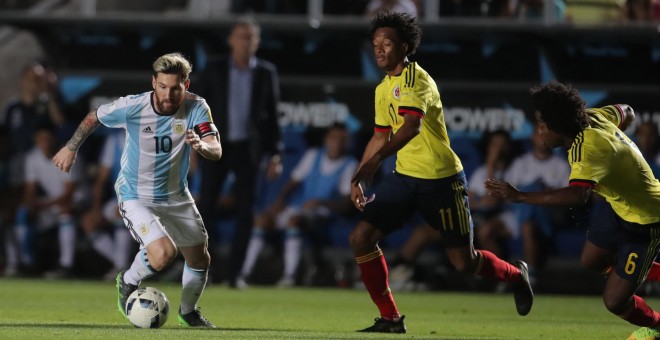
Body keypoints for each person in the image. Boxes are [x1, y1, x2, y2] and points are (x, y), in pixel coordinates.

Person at [348, 11, 533, 334]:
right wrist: (359, 178)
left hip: (441, 181)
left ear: (405, 47)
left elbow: (410, 128)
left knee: (464, 261)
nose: (378, 49)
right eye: (375, 43)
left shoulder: (417, 80)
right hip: (405, 179)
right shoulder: (382, 89)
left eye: (386, 43)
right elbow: (379, 136)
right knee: (360, 238)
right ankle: (390, 318)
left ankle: (516, 274)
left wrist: (374, 163)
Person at [52, 53, 222, 328]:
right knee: (164, 253)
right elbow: (94, 117)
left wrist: (202, 147)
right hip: (136, 195)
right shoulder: (132, 106)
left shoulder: (197, 107)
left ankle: (188, 312)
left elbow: (216, 148)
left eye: (175, 88)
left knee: (200, 258)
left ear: (186, 86)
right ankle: (128, 281)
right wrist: (71, 147)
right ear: (154, 82)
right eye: (163, 86)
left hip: (176, 196)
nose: (168, 95)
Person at [483, 81, 660, 339]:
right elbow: (628, 111)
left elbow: (578, 195)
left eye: (543, 124)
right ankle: (642, 270)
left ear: (559, 126)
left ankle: (656, 325)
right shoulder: (594, 117)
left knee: (614, 301)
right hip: (619, 208)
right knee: (591, 260)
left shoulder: (586, 148)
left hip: (647, 219)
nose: (539, 130)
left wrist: (520, 196)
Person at [196, 17, 282, 286]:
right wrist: (194, 146)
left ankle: (235, 274)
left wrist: (275, 154)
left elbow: (272, 118)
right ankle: (202, 271)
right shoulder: (214, 68)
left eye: (251, 37)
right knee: (206, 207)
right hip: (215, 146)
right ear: (231, 40)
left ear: (257, 42)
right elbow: (196, 107)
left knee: (246, 212)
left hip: (248, 149)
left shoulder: (266, 72)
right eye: (241, 36)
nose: (246, 42)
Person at [236, 123, 357, 288]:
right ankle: (244, 273)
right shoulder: (313, 155)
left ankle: (289, 277)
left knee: (294, 221)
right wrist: (279, 202)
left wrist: (321, 202)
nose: (337, 143)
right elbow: (293, 181)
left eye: (342, 139)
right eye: (334, 138)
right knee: (262, 220)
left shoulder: (350, 164)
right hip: (299, 208)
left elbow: (346, 203)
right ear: (327, 139)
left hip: (324, 213)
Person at [503, 125, 570, 284]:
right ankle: (507, 275)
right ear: (532, 138)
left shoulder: (560, 165)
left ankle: (528, 274)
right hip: (519, 214)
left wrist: (543, 190)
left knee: (534, 192)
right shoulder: (521, 163)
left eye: (545, 134)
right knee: (522, 222)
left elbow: (568, 197)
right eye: (538, 134)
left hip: (547, 214)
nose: (541, 138)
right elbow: (506, 194)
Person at [14, 122, 79, 279]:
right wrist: (31, 207)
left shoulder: (67, 153)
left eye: (47, 139)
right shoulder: (32, 157)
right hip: (52, 203)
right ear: (36, 140)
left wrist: (43, 205)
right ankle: (28, 264)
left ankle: (66, 265)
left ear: (54, 139)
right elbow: (30, 191)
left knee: (65, 214)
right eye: (41, 139)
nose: (44, 143)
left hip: (77, 200)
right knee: (23, 214)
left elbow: (69, 193)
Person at [79, 129, 132, 280]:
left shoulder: (149, 138)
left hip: (145, 200)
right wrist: (96, 209)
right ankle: (124, 266)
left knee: (121, 214)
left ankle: (122, 269)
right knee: (89, 223)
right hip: (120, 199)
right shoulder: (114, 141)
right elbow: (101, 180)